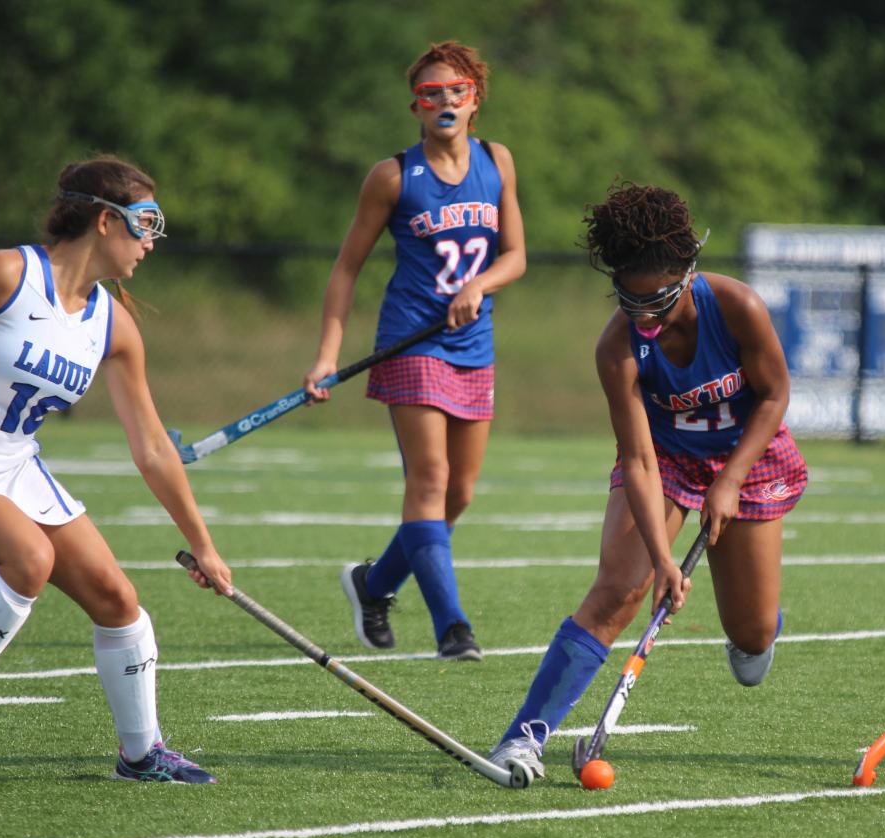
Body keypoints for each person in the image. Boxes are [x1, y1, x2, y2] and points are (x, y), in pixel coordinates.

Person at [0, 156, 233, 785]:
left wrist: (202, 543)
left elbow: (154, 446)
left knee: (118, 600)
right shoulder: (5, 272)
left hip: (13, 465)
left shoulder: (114, 325)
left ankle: (142, 752)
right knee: (28, 558)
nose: (152, 240)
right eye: (145, 222)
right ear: (106, 221)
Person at [487, 183, 807, 782]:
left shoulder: (738, 307)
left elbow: (775, 394)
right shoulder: (617, 349)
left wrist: (730, 479)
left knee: (753, 637)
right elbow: (636, 458)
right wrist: (662, 561)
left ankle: (756, 624)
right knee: (618, 589)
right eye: (631, 304)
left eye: (658, 301)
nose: (646, 319)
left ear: (687, 271)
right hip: (666, 459)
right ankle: (524, 738)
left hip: (746, 455)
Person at [303, 40, 525, 661]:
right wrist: (327, 354)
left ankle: (372, 585)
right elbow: (346, 270)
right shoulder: (394, 175)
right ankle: (453, 627)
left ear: (475, 98)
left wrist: (480, 285)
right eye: (432, 94)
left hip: (473, 345)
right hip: (410, 343)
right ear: (416, 107)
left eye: (456, 90)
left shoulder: (497, 161)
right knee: (429, 481)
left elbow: (516, 256)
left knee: (459, 496)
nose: (445, 101)